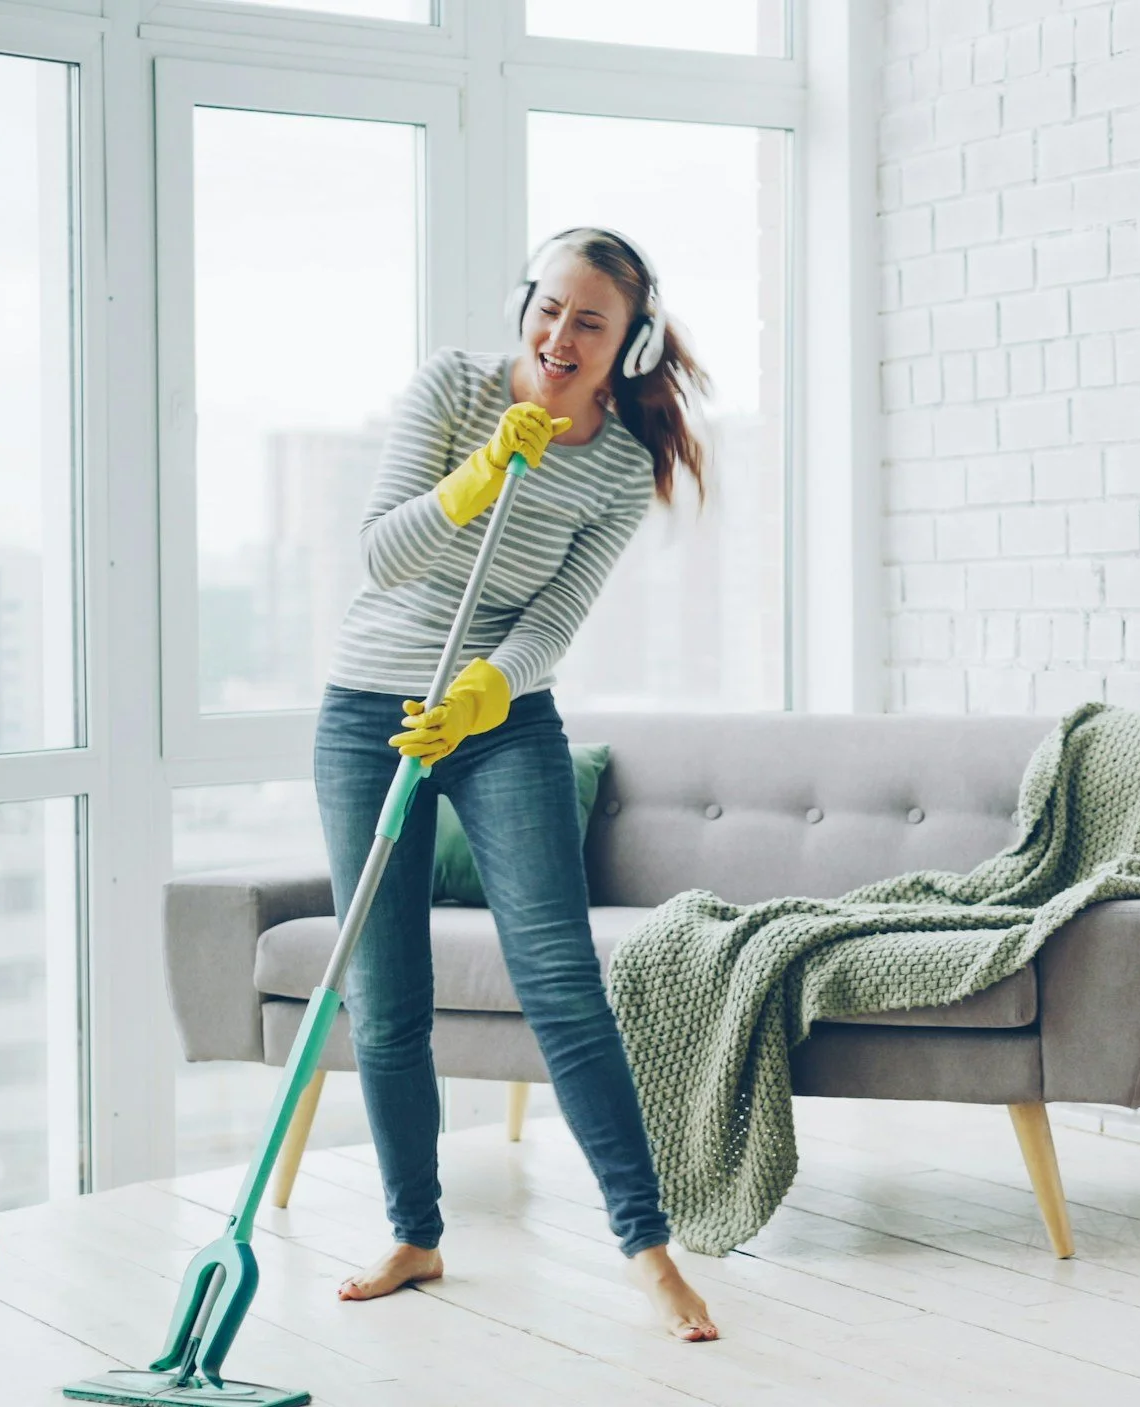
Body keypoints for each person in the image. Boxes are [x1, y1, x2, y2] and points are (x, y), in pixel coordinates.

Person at [311, 228, 717, 1342]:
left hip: (500, 720)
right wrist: (484, 469)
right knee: (383, 999)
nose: (560, 337)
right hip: (369, 714)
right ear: (522, 305)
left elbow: (555, 616)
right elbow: (382, 554)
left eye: (592, 321)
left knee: (560, 980)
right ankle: (414, 1234)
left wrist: (489, 691)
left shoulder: (618, 464)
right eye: (549, 309)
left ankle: (647, 1251)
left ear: (630, 343)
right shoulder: (452, 390)